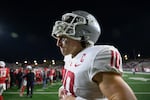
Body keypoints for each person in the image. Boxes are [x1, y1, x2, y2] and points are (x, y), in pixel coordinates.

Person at [51, 10, 137, 100]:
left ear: (83, 36)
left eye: (64, 38)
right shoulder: (68, 57)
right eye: (58, 38)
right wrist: (66, 88)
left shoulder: (95, 57)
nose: (58, 43)